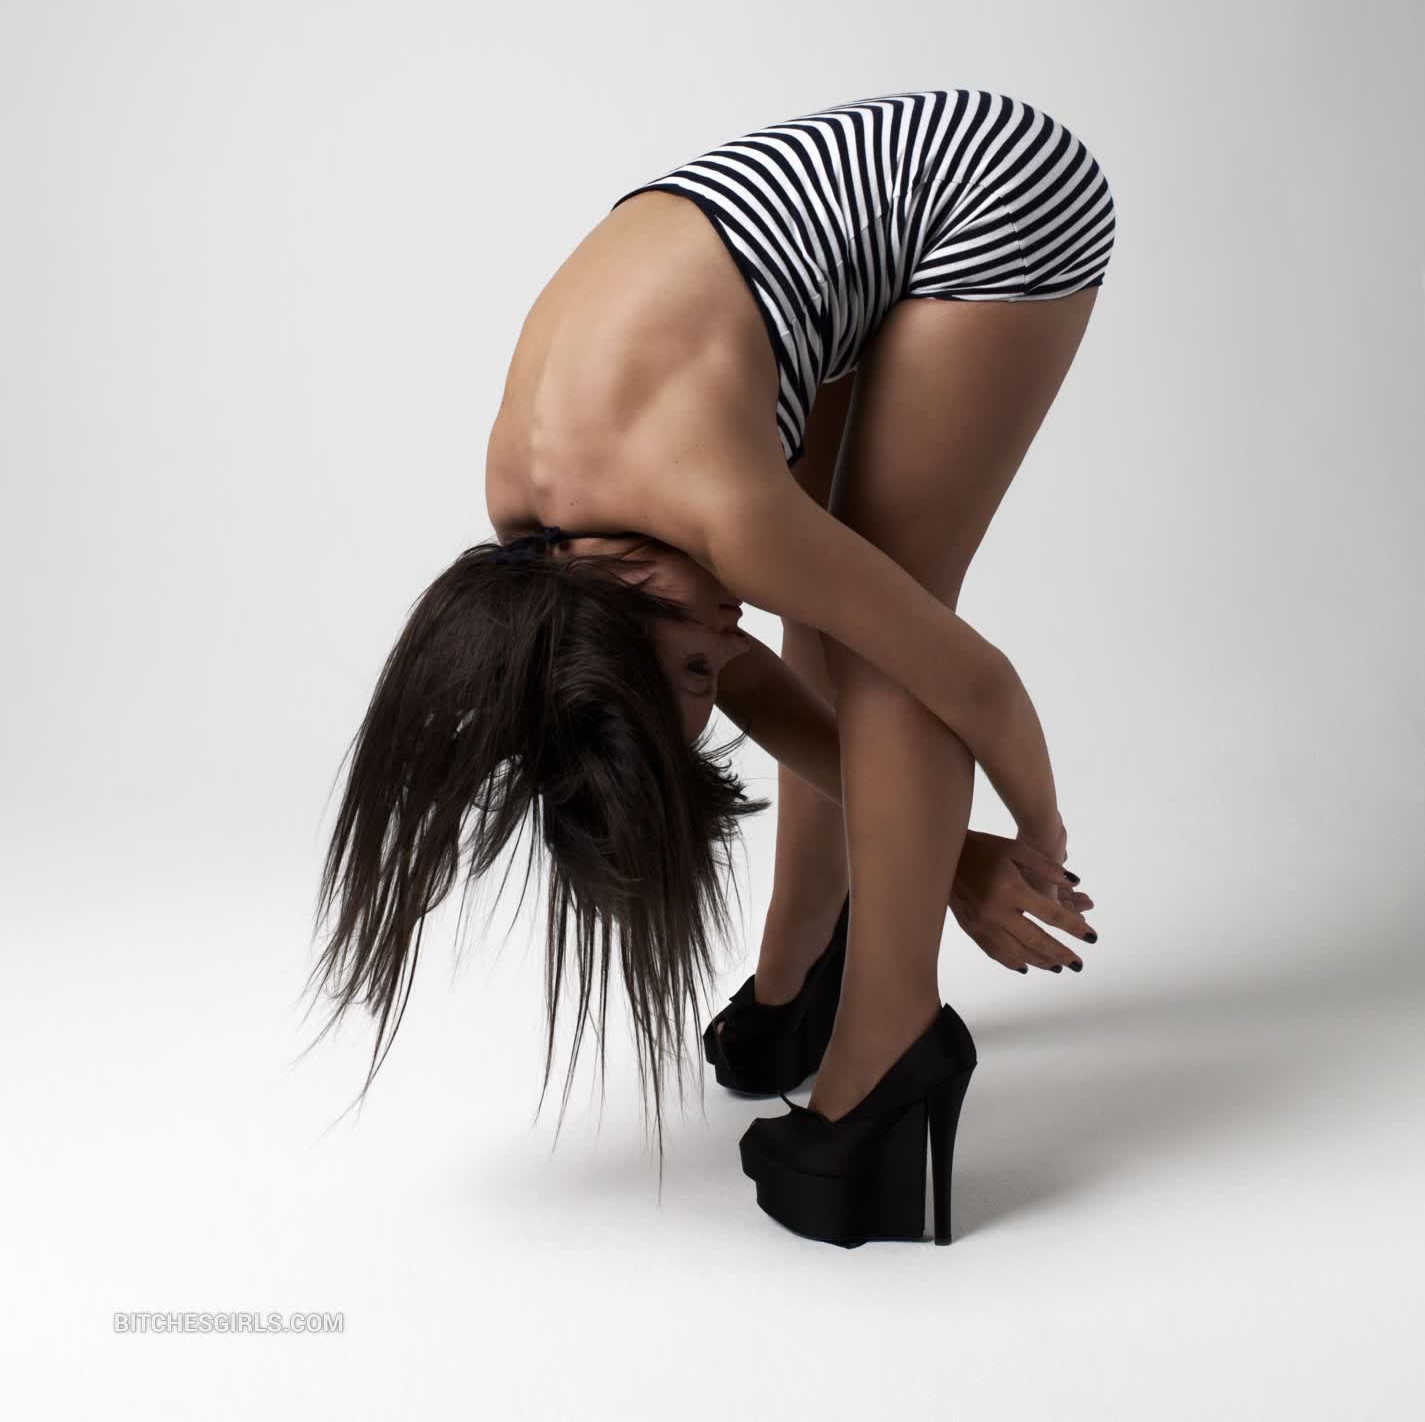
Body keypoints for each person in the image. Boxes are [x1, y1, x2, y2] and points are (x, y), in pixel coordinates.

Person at [303, 88, 1112, 1244]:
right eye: (703, 677)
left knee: (891, 633)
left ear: (624, 605)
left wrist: (1030, 845)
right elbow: (749, 675)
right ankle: (801, 969)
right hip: (809, 267)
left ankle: (890, 1057)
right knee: (829, 612)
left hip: (992, 189)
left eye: (692, 669)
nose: (725, 644)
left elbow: (970, 681)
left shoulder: (711, 509)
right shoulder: (548, 558)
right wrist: (947, 857)